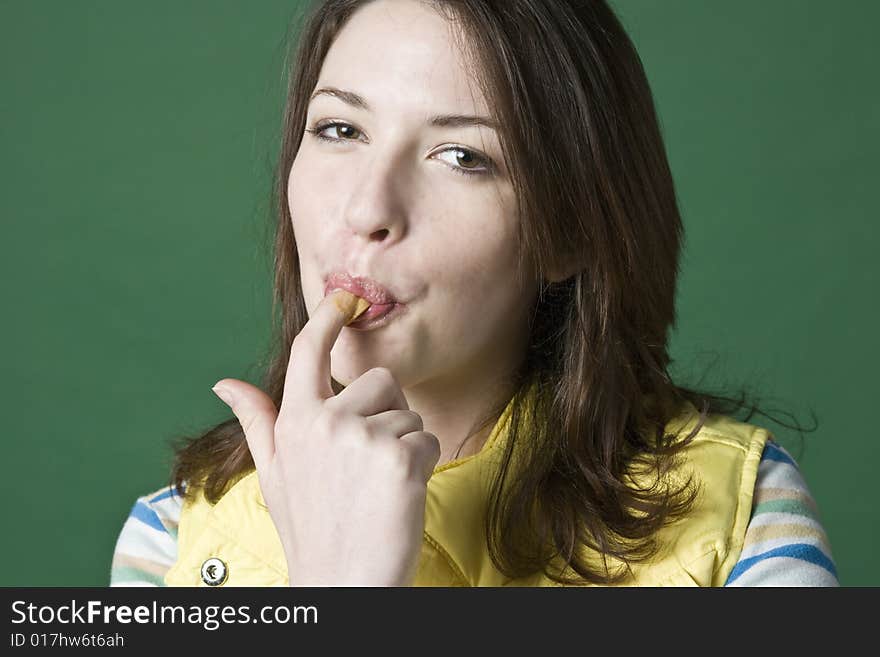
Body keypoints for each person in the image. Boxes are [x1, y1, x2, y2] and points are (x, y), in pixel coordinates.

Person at [110, 0, 837, 587]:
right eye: (339, 128)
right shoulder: (173, 534)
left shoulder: (742, 514)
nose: (367, 209)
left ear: (570, 232)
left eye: (463, 157)